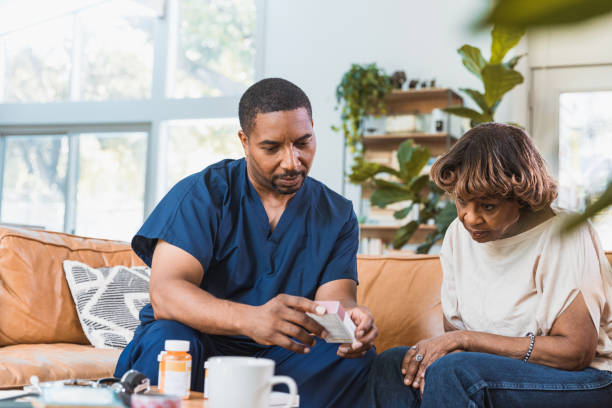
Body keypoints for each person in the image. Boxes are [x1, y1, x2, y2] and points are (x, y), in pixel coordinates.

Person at [115, 78, 378, 407]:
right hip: (199, 345)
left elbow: (332, 303)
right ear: (244, 140)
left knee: (351, 358)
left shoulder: (336, 213)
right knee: (169, 339)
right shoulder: (204, 194)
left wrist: (352, 322)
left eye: (303, 142)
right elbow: (166, 294)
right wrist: (251, 319)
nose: (292, 161)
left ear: (313, 130)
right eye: (272, 148)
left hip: (281, 357)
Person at [366, 123, 612, 407]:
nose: (470, 218)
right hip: (496, 372)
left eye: (488, 206)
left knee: (454, 372)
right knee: (394, 364)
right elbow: (455, 334)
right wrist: (449, 351)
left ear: (520, 197)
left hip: (587, 379)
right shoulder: (458, 237)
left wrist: (468, 341)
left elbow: (574, 352)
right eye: (462, 202)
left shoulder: (563, 235)